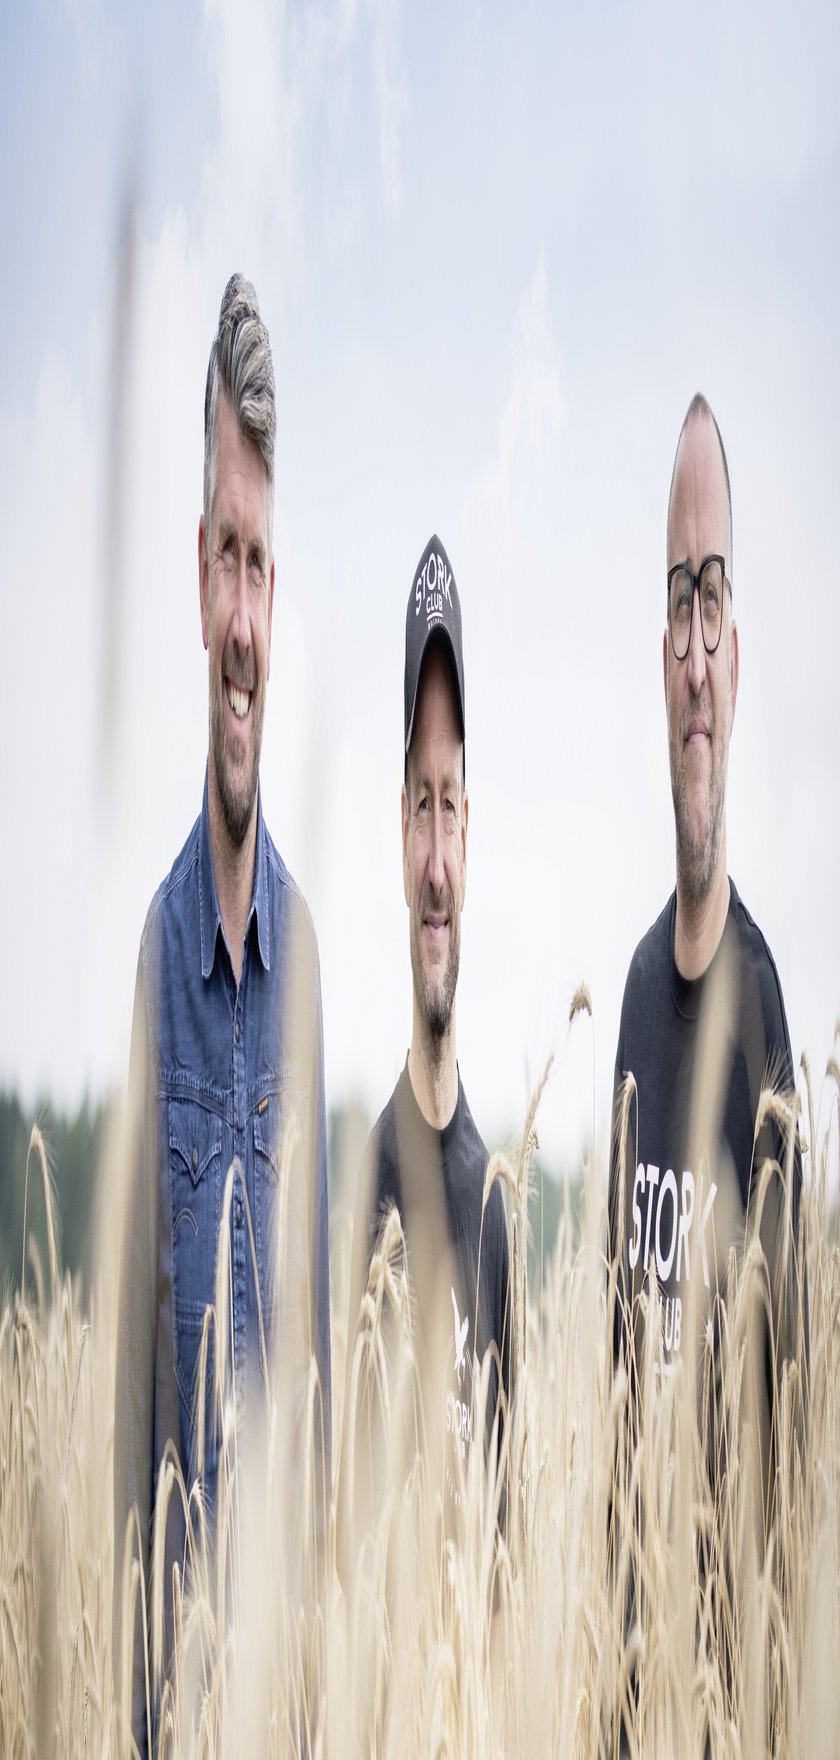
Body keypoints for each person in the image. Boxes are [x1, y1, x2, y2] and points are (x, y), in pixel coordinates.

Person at [113, 274, 331, 1760]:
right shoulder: (155, 958)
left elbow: (322, 1410)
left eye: (267, 565)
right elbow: (129, 1451)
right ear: (195, 581)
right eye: (227, 559)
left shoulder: (314, 967)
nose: (245, 615)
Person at [609, 394, 807, 1706]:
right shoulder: (626, 1003)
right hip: (633, 1754)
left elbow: (799, 1445)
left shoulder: (767, 1013)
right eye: (674, 601)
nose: (690, 650)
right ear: (661, 649)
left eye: (712, 601)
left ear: (735, 661)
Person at [338, 532, 512, 1588]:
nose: (438, 862)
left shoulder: (495, 1205)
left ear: (469, 834)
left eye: (452, 805)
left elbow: (505, 1562)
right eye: (420, 805)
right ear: (398, 835)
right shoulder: (362, 1190)